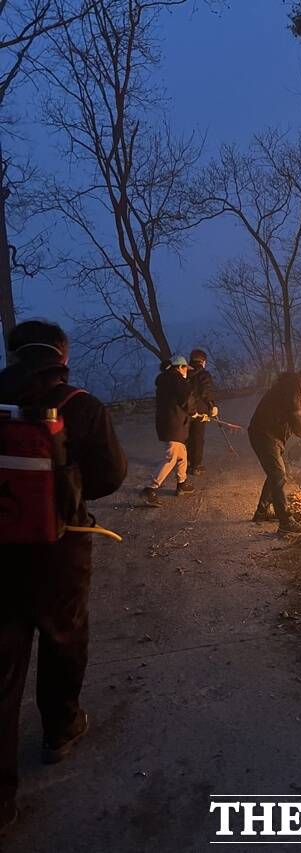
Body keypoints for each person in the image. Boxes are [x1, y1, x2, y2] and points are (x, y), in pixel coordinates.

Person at [0, 320, 127, 835]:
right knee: (63, 637)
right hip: (62, 545)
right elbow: (111, 476)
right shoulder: (81, 404)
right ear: (62, 356)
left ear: (13, 353)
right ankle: (60, 730)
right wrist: (68, 488)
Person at [248, 362, 301, 535]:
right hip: (265, 433)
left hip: (273, 436)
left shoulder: (299, 390)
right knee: (278, 475)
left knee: (279, 472)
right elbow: (294, 416)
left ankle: (261, 512)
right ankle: (286, 523)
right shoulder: (293, 385)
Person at [140, 355, 196, 506]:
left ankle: (182, 483)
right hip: (174, 424)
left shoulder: (165, 380)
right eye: (185, 368)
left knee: (182, 455)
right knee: (171, 457)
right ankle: (150, 489)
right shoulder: (177, 380)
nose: (186, 371)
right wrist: (194, 412)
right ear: (180, 367)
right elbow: (187, 399)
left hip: (169, 423)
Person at [187, 348, 218, 475]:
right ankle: (196, 465)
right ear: (203, 361)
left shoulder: (184, 373)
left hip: (186, 409)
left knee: (187, 436)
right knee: (197, 437)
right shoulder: (203, 374)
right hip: (200, 409)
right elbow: (206, 391)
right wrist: (212, 405)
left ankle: (186, 462)